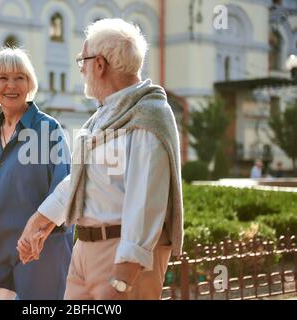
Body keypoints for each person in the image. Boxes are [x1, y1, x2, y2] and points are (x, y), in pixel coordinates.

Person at [17, 18, 183, 300]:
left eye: (83, 59)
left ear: (100, 64)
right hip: (85, 249)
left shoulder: (147, 115)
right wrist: (41, 220)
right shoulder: (105, 116)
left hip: (122, 255)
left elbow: (146, 199)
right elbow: (84, 178)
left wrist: (125, 274)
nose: (81, 68)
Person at [0, 48, 73, 300]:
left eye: (20, 77)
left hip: (37, 259)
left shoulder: (47, 129)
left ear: (29, 83)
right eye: (3, 78)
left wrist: (38, 233)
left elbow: (65, 192)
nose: (11, 85)